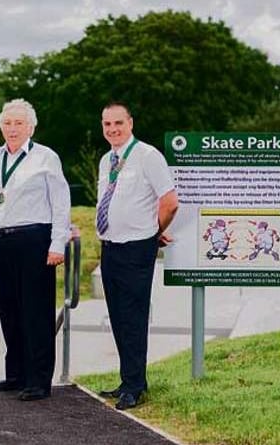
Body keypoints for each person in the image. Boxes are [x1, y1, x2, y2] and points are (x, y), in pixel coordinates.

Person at [0, 99, 71, 401]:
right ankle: (16, 374)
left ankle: (38, 380)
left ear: (31, 127)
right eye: (7, 123)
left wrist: (57, 243)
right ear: (0, 127)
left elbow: (61, 202)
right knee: (7, 309)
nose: (12, 128)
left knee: (36, 311)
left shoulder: (46, 157)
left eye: (18, 123)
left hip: (34, 240)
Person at [96, 102, 178, 410]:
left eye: (118, 123)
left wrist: (154, 230)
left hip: (136, 247)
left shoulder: (147, 156)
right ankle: (127, 380)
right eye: (107, 124)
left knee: (133, 317)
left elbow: (170, 201)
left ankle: (135, 387)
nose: (113, 129)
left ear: (130, 123)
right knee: (118, 316)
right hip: (110, 246)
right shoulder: (107, 159)